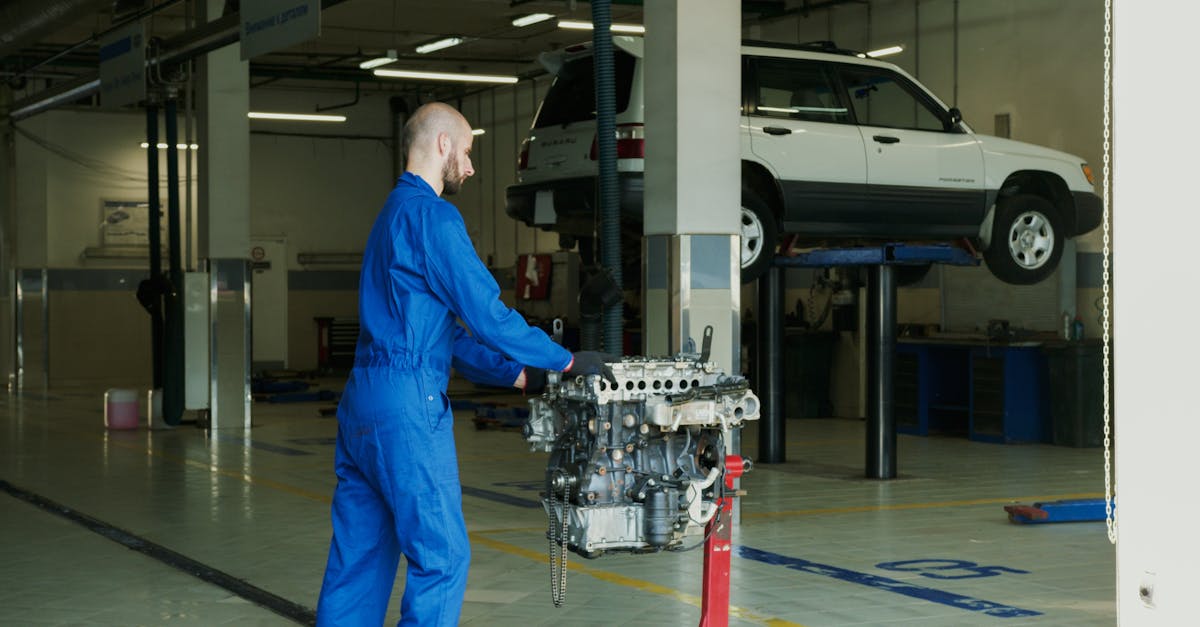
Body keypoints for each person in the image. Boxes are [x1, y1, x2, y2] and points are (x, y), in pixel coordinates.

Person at [315, 102, 615, 626]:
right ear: (443, 145)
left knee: (359, 559)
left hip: (363, 401)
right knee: (442, 557)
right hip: (407, 407)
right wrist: (565, 360)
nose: (471, 168)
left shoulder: (388, 217)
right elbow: (489, 317)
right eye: (469, 151)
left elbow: (445, 334)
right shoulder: (434, 217)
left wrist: (521, 374)